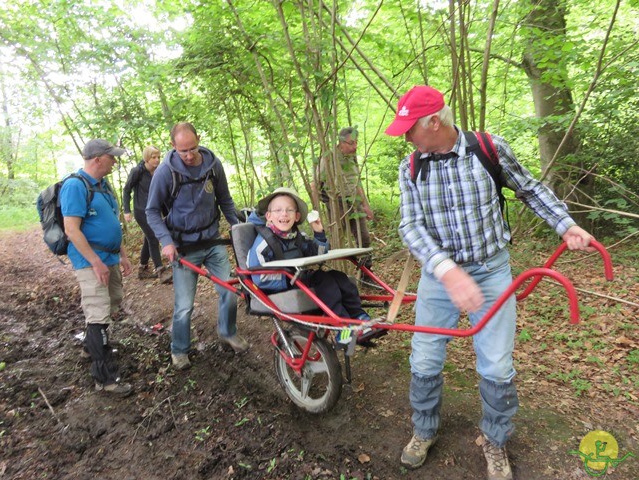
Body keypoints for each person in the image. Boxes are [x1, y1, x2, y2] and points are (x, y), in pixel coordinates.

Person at [385, 85, 595, 480]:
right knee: (425, 357)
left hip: (492, 270)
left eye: (409, 128)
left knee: (497, 365)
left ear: (434, 121)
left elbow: (529, 189)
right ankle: (424, 430)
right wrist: (447, 271)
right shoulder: (411, 167)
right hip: (438, 276)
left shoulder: (489, 149)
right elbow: (410, 225)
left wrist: (566, 226)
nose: (406, 137)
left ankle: (495, 440)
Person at [146, 122, 248, 371]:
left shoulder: (213, 166)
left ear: (199, 139)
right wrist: (166, 241)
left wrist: (238, 228)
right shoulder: (164, 173)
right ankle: (179, 349)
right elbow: (151, 211)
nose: (189, 155)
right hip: (183, 248)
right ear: (173, 146)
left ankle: (227, 332)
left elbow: (224, 199)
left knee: (229, 291)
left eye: (192, 148)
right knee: (184, 306)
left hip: (212, 240)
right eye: (183, 151)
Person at [247, 187, 384, 346]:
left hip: (299, 278)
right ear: (268, 216)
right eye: (278, 210)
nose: (284, 214)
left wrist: (319, 233)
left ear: (297, 216)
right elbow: (258, 277)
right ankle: (342, 331)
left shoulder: (297, 236)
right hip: (282, 285)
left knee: (339, 277)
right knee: (323, 280)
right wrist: (288, 278)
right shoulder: (263, 244)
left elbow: (317, 255)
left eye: (289, 210)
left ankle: (359, 317)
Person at [60, 139, 133, 397]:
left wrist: (122, 254)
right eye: (112, 157)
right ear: (98, 159)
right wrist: (95, 261)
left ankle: (91, 347)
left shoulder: (103, 187)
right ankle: (105, 378)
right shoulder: (74, 186)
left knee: (112, 302)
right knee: (99, 313)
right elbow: (72, 230)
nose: (115, 161)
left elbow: (113, 223)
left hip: (109, 258)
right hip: (90, 261)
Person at [315, 127, 374, 271]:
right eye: (351, 143)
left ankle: (366, 272)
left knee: (364, 237)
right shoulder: (328, 158)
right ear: (341, 143)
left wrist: (365, 205)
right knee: (338, 239)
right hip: (337, 203)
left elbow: (356, 182)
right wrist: (317, 209)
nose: (355, 147)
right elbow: (315, 183)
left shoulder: (352, 157)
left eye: (356, 143)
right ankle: (336, 271)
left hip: (354, 202)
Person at [122, 145, 171, 283]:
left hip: (155, 210)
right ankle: (160, 270)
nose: (156, 160)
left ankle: (142, 268)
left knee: (148, 238)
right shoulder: (137, 171)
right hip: (141, 210)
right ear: (146, 158)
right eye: (153, 157)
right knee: (154, 237)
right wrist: (127, 210)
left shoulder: (159, 171)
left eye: (158, 157)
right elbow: (126, 190)